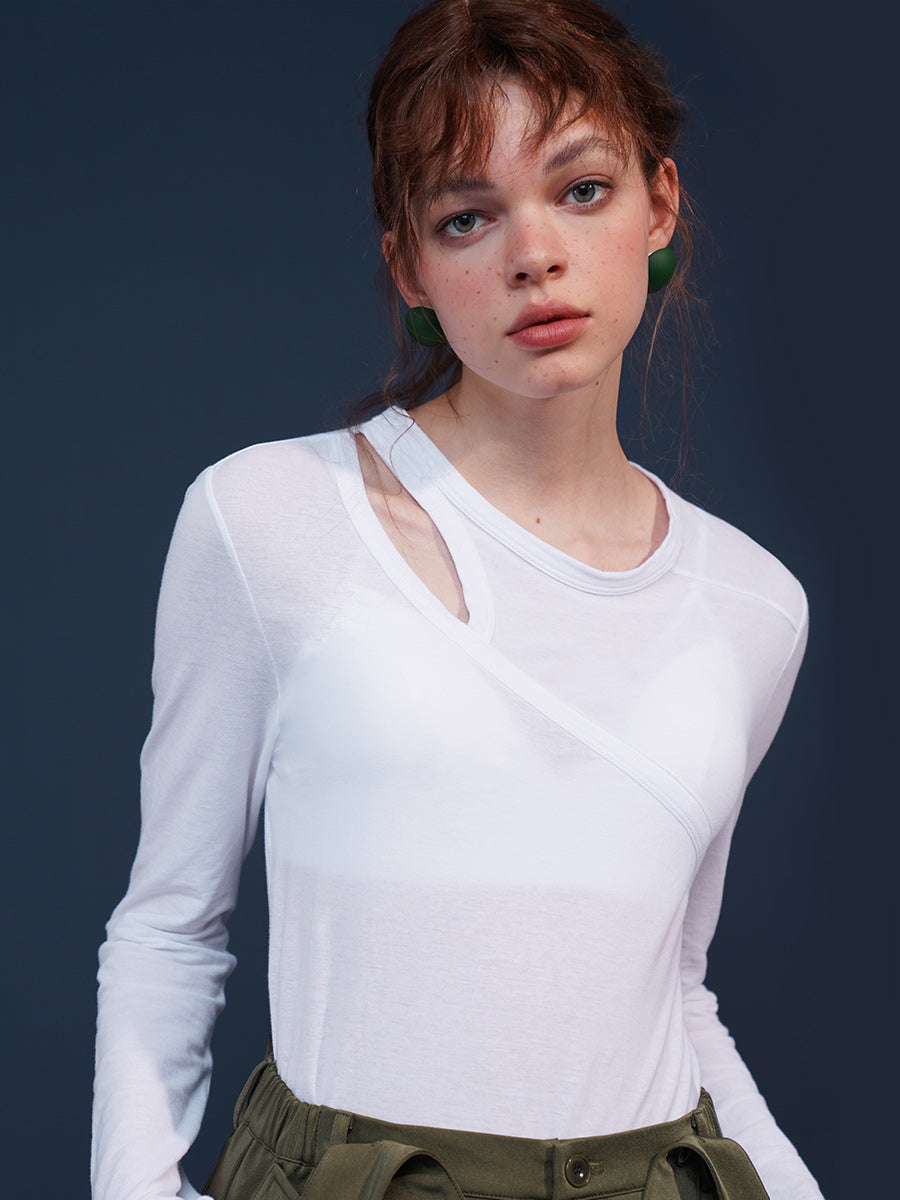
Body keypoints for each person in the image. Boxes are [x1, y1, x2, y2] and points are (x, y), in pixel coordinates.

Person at [91, 2, 825, 1198]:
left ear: (660, 205)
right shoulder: (270, 518)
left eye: (581, 190)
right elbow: (169, 928)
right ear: (411, 269)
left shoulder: (755, 607)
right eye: (468, 217)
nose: (534, 254)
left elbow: (673, 990)